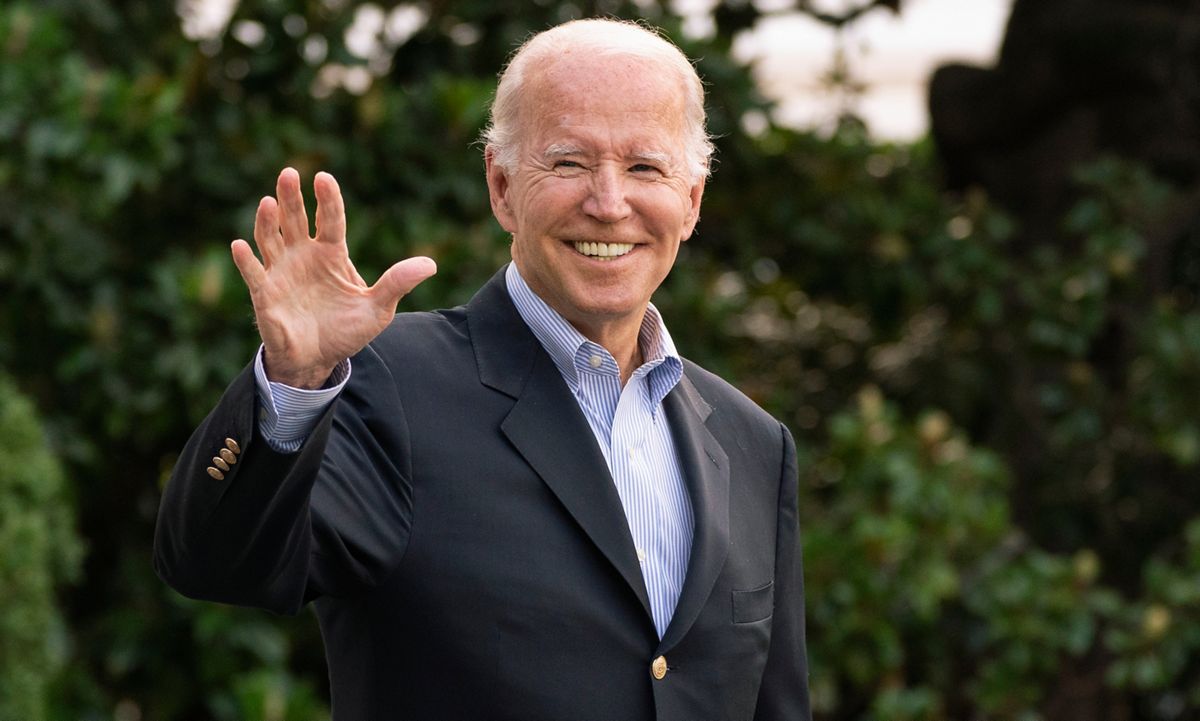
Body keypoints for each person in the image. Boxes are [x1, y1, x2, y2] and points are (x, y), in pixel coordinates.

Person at [154, 18, 810, 721]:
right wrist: (292, 383)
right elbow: (215, 562)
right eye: (568, 163)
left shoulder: (753, 443)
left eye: (645, 167)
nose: (609, 202)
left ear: (692, 202)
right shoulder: (387, 386)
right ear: (501, 187)